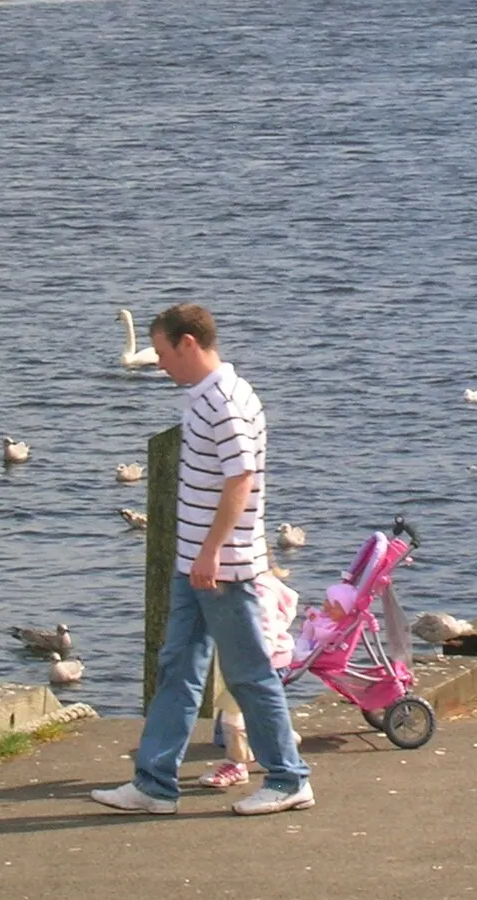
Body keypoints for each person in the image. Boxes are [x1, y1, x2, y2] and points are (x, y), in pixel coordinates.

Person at [90, 303, 313, 817]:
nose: (160, 364)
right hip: (196, 564)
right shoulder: (204, 396)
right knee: (178, 668)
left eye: (165, 353)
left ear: (188, 344)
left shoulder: (226, 402)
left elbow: (241, 481)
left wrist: (211, 553)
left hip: (225, 567)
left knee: (248, 673)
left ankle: (288, 777)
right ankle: (154, 783)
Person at [199, 568, 300, 790]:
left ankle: (236, 764)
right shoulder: (265, 586)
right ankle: (281, 737)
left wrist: (249, 658)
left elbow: (264, 632)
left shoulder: (258, 592)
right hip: (270, 661)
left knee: (232, 719)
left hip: (257, 663)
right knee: (261, 711)